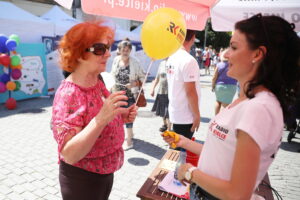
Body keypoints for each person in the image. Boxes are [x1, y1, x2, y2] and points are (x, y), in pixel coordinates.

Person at [162, 14, 300, 200]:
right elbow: (222, 155)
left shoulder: (259, 108)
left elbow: (237, 194)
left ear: (257, 54)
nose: (226, 54)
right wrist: (183, 142)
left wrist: (189, 172)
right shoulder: (249, 100)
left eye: (234, 47)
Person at [51, 22, 138, 200]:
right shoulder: (69, 93)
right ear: (79, 53)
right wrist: (100, 119)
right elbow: (69, 153)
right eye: (99, 49)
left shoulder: (97, 80)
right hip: (82, 180)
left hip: (104, 174)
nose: (108, 53)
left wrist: (121, 115)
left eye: (108, 47)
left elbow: (104, 116)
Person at [166, 29, 201, 146]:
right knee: (179, 150)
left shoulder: (171, 57)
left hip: (176, 110)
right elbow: (190, 91)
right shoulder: (189, 60)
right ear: (192, 38)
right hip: (186, 114)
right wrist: (197, 115)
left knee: (176, 147)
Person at [111, 40, 145, 150]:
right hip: (117, 94)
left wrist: (134, 83)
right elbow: (112, 75)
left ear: (130, 50)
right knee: (119, 117)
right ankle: (127, 135)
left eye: (127, 50)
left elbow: (143, 78)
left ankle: (129, 141)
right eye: (123, 50)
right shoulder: (116, 60)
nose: (125, 52)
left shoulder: (135, 62)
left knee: (129, 118)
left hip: (131, 95)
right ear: (119, 50)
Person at [212, 49, 237, 115]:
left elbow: (214, 77)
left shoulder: (219, 65)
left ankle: (215, 118)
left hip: (219, 86)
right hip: (231, 86)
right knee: (225, 105)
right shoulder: (234, 65)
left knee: (218, 101)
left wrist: (213, 86)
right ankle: (221, 121)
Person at [150, 58, 171, 132]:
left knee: (168, 111)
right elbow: (157, 78)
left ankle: (169, 130)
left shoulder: (174, 62)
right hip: (161, 91)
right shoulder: (161, 63)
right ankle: (165, 124)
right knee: (162, 109)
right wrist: (152, 89)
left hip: (170, 91)